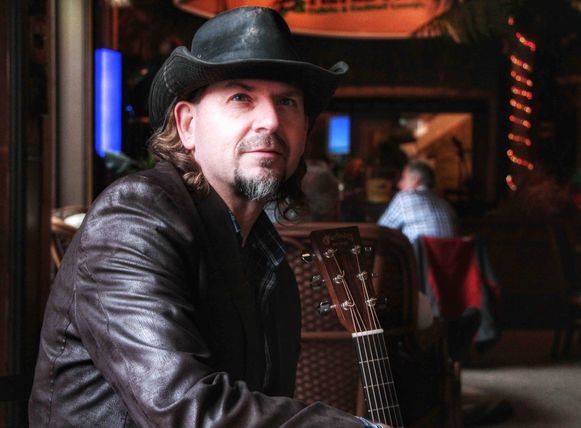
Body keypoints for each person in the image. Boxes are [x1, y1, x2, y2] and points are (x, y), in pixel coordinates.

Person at [29, 7, 388, 428]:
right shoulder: (131, 221)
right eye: (241, 97)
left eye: (287, 102)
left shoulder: (270, 261)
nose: (271, 120)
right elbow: (186, 409)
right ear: (187, 125)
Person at [377, 160, 457, 246]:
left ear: (416, 180)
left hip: (419, 254)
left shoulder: (405, 198)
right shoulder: (446, 205)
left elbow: (380, 230)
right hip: (449, 254)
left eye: (403, 178)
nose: (399, 184)